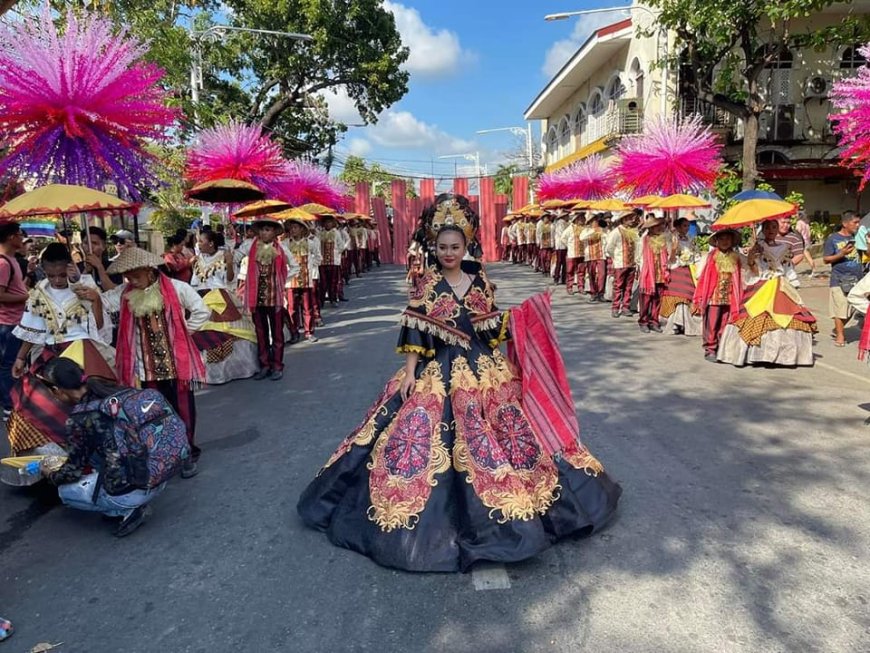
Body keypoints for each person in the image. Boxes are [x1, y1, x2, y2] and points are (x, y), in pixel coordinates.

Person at [296, 194, 621, 573]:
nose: (449, 252)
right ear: (433, 248)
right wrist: (410, 371)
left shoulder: (479, 280)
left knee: (506, 435)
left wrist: (520, 323)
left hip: (483, 369)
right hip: (438, 369)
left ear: (466, 246)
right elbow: (415, 331)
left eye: (455, 247)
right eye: (443, 247)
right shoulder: (425, 284)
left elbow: (490, 327)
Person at [99, 247, 209, 478]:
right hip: (147, 368)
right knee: (154, 412)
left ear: (150, 271)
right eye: (128, 277)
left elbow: (201, 311)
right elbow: (105, 303)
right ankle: (164, 451)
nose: (132, 281)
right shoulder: (126, 294)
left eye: (136, 276)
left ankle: (186, 451)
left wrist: (183, 333)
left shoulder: (178, 288)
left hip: (177, 363)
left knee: (183, 410)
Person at [39, 358, 170, 538]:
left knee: (65, 492)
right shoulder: (115, 390)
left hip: (134, 490)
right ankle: (124, 502)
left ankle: (124, 509)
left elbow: (71, 473)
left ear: (57, 390)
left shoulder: (80, 418)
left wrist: (49, 473)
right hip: (162, 474)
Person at [717, 220, 817, 367]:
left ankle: (784, 356)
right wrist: (751, 259)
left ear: (777, 230)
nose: (771, 230)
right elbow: (754, 270)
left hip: (782, 285)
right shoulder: (758, 247)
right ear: (762, 229)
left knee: (787, 317)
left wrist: (793, 283)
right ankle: (757, 353)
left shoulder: (785, 247)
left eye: (774, 227)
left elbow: (788, 268)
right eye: (767, 227)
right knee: (756, 315)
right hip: (762, 285)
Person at [189, 230, 259, 384]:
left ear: (211, 243)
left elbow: (230, 279)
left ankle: (231, 369)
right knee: (199, 332)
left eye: (201, 241)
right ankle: (205, 371)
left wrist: (229, 263)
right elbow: (194, 282)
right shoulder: (198, 259)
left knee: (226, 331)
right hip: (201, 298)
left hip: (220, 297)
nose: (198, 244)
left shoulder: (224, 255)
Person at [235, 217, 300, 380]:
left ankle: (277, 365)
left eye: (268, 229)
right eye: (262, 229)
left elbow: (295, 266)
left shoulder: (282, 248)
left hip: (275, 297)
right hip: (256, 297)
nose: (265, 233)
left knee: (277, 332)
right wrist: (230, 257)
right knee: (260, 332)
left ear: (274, 232)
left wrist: (282, 281)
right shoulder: (249, 246)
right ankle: (264, 365)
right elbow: (236, 257)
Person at [693, 229, 746, 363]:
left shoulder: (736, 257)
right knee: (712, 323)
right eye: (721, 239)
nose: (725, 242)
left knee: (724, 322)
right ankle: (710, 348)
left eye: (727, 239)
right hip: (714, 297)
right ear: (716, 241)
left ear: (732, 241)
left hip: (729, 296)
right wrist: (700, 295)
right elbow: (702, 275)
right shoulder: (711, 257)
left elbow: (745, 269)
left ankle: (721, 346)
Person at [0, 220, 28, 419]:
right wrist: (25, 297)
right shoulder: (3, 263)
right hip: (8, 324)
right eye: (19, 234)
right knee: (8, 364)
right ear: (11, 237)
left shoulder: (12, 260)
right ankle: (9, 406)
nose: (21, 237)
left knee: (14, 363)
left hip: (17, 321)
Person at [823, 211, 862, 347]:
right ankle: (840, 334)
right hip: (839, 278)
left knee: (853, 307)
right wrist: (841, 254)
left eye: (858, 222)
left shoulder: (859, 237)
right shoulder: (833, 238)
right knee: (840, 307)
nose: (857, 225)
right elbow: (826, 259)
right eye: (855, 222)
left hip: (857, 278)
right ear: (845, 224)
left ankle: (838, 328)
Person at [661, 217, 701, 336]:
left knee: (688, 294)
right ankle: (675, 323)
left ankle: (685, 323)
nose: (687, 228)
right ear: (677, 227)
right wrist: (673, 249)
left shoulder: (691, 238)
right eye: (684, 226)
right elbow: (670, 258)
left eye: (688, 226)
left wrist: (695, 263)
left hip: (689, 267)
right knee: (678, 294)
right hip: (675, 267)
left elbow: (696, 253)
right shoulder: (671, 239)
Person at [285, 218, 323, 344]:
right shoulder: (285, 244)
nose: (293, 230)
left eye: (296, 227)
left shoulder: (310, 243)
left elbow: (318, 257)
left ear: (302, 229)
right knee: (292, 308)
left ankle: (309, 332)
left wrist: (311, 267)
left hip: (306, 280)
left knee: (308, 307)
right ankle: (294, 332)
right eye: (291, 228)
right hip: (291, 281)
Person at [636, 215, 669, 333]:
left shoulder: (665, 239)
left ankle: (654, 321)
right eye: (656, 226)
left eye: (660, 226)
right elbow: (638, 256)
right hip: (648, 273)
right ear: (650, 228)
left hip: (660, 273)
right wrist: (642, 270)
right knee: (646, 299)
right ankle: (643, 321)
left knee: (657, 299)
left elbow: (669, 254)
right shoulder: (644, 239)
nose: (659, 228)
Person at [605, 212, 638, 318]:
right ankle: (615, 307)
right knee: (618, 286)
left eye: (632, 218)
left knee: (629, 287)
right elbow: (609, 247)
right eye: (628, 218)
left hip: (631, 263)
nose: (631, 220)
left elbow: (637, 246)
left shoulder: (633, 231)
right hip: (620, 263)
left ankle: (625, 307)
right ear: (623, 219)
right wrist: (616, 258)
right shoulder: (616, 232)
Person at [318, 215, 346, 306]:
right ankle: (321, 300)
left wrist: (336, 253)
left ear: (333, 223)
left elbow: (341, 246)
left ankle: (333, 299)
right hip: (322, 261)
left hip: (334, 261)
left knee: (333, 281)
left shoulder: (336, 233)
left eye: (329, 222)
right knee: (323, 282)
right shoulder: (319, 234)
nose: (327, 224)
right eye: (326, 222)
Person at [580, 214, 607, 303]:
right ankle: (593, 293)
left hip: (601, 255)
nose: (595, 222)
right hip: (590, 255)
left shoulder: (602, 230)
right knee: (591, 274)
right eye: (593, 221)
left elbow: (607, 239)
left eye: (596, 220)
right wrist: (593, 231)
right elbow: (582, 238)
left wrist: (602, 232)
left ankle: (601, 293)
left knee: (602, 274)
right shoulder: (586, 230)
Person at [774, 216, 806, 287]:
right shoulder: (769, 236)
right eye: (783, 222)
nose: (786, 225)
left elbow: (799, 255)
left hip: (786, 276)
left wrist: (788, 265)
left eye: (788, 223)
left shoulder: (795, 238)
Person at [560, 212, 586, 295]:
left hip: (582, 253)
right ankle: (569, 287)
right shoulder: (570, 228)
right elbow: (563, 238)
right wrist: (569, 245)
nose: (582, 220)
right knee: (570, 271)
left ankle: (581, 287)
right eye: (580, 218)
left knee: (581, 271)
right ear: (576, 220)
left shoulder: (584, 228)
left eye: (583, 218)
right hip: (572, 253)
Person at [794, 212, 816, 276]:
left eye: (796, 215)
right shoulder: (806, 224)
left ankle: (813, 270)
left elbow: (798, 231)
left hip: (802, 241)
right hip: (807, 241)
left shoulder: (799, 223)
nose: (795, 216)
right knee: (807, 256)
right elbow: (809, 234)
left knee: (807, 257)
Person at [552, 210, 569, 284]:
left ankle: (562, 278)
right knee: (560, 262)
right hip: (561, 245)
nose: (568, 217)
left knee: (564, 262)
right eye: (567, 216)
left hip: (563, 245)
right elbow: (562, 235)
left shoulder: (565, 223)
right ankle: (557, 277)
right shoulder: (560, 223)